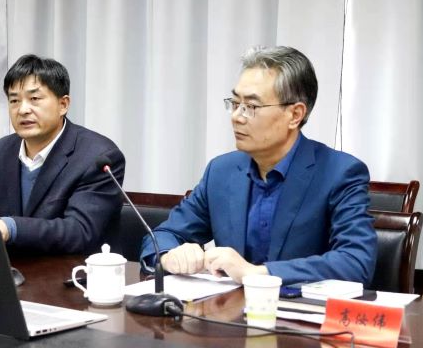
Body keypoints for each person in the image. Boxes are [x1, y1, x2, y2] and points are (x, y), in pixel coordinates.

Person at [140, 46, 377, 286]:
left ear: (295, 115)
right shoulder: (221, 172)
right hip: (229, 308)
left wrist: (256, 273)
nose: (236, 116)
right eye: (235, 103)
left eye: (251, 107)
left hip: (297, 308)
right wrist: (169, 256)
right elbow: (162, 235)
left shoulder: (339, 173)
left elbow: (355, 261)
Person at [0, 54, 125, 254]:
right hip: (9, 270)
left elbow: (79, 231)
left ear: (63, 105)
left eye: (34, 99)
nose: (23, 109)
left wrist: (10, 227)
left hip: (74, 270)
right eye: (14, 100)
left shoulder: (98, 156)